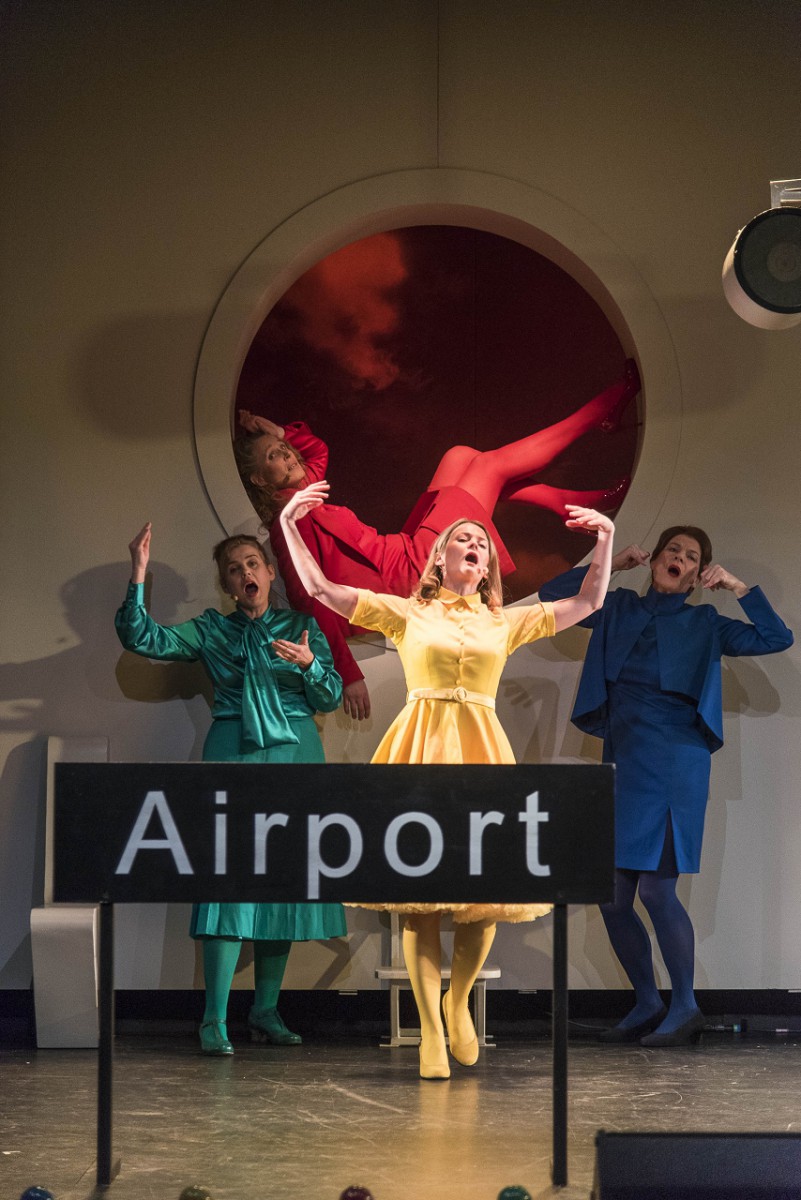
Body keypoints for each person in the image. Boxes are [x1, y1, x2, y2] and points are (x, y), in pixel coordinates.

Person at [279, 479, 615, 1078]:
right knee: (420, 901)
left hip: (482, 757)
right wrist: (288, 525)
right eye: (461, 538)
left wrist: (607, 538)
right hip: (420, 751)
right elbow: (322, 589)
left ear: (487, 567)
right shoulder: (406, 612)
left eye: (480, 543)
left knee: (481, 898)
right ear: (440, 556)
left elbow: (588, 603)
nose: (472, 546)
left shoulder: (504, 622)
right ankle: (429, 1027)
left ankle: (458, 1002)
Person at [234, 360, 638, 720]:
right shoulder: (289, 525)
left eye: (284, 450)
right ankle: (602, 411)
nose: (287, 457)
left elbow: (315, 451)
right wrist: (349, 673)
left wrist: (276, 432)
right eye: (274, 457)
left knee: (460, 456)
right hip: (406, 575)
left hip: (401, 550)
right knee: (489, 467)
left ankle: (565, 501)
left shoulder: (304, 492)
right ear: (258, 480)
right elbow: (311, 600)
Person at [540, 528, 793, 1046]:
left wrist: (741, 588)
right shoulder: (617, 607)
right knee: (611, 897)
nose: (679, 558)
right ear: (653, 559)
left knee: (656, 890)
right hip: (625, 757)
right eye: (672, 550)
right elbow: (550, 598)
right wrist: (610, 564)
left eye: (692, 556)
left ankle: (686, 1005)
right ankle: (647, 1001)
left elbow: (776, 637)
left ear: (700, 574)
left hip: (677, 760)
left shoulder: (704, 621)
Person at [115, 523, 347, 1055]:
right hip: (233, 757)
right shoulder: (212, 630)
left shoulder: (302, 625)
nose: (245, 573)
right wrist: (138, 576)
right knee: (227, 881)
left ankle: (266, 1009)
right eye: (234, 569)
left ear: (269, 572)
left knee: (283, 883)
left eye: (252, 564)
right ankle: (213, 1018)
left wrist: (311, 665)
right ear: (227, 584)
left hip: (295, 760)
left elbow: (331, 698)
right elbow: (143, 638)